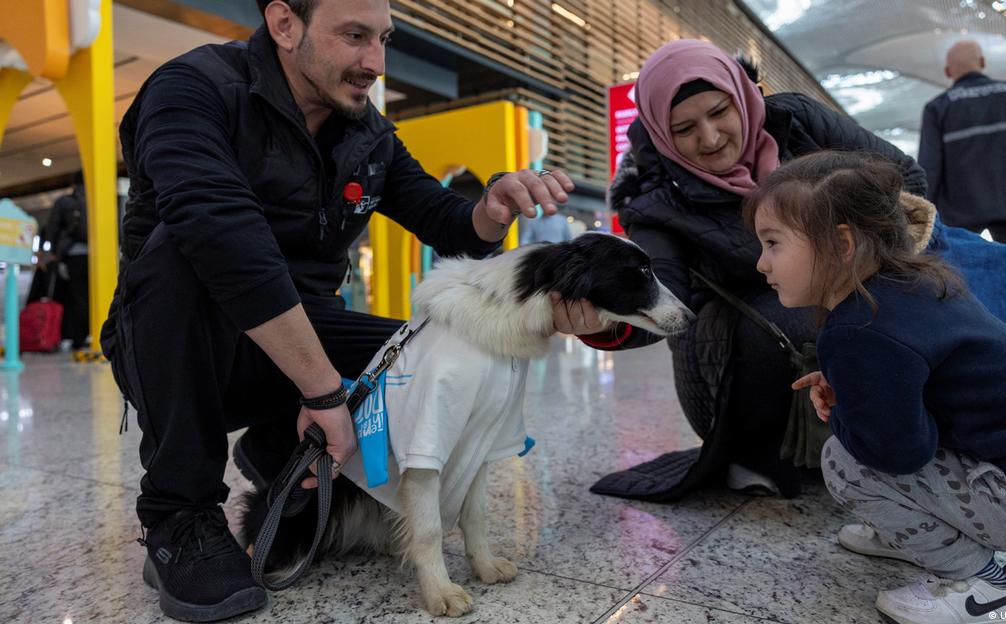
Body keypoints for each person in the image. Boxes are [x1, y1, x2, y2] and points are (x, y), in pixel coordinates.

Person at [100, 1, 591, 620]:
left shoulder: (366, 134)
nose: (375, 62)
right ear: (285, 25)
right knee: (183, 248)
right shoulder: (193, 88)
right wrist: (323, 390)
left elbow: (445, 220)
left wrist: (492, 208)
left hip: (302, 329)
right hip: (179, 335)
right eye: (355, 36)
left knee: (433, 351)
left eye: (384, 38)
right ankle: (179, 515)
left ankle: (280, 449)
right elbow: (223, 235)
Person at [752, 151, 1006, 624]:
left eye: (773, 243)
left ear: (841, 243)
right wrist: (856, 390)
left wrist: (844, 412)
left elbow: (896, 454)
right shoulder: (914, 284)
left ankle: (986, 585)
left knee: (844, 462)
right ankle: (912, 534)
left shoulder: (861, 328)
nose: (761, 263)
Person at [590, 39, 929, 499]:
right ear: (661, 135)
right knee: (800, 310)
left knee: (895, 300)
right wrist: (601, 321)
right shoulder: (655, 200)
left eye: (720, 111)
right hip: (736, 366)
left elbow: (905, 180)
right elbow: (665, 292)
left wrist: (852, 259)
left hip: (838, 298)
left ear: (742, 96)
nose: (710, 138)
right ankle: (760, 453)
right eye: (684, 128)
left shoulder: (796, 120)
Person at [917, 40, 1006, 252]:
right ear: (982, 62)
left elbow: (930, 166)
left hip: (960, 211)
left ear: (947, 71)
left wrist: (925, 215)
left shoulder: (938, 107)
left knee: (963, 266)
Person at [35, 172, 89, 348]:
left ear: (73, 184)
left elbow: (52, 227)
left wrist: (49, 251)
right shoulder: (100, 198)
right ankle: (93, 333)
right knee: (92, 295)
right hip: (99, 256)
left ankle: (75, 338)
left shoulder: (65, 202)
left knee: (72, 297)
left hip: (71, 256)